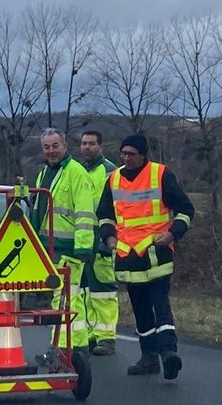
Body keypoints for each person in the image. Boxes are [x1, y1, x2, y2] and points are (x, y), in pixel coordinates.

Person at [95, 134, 195, 379]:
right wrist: (108, 239)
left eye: (131, 154)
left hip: (156, 253)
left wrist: (172, 234)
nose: (126, 158)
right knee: (140, 309)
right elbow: (105, 215)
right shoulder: (114, 179)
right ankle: (148, 357)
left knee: (160, 304)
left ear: (142, 155)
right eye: (123, 153)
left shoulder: (160, 174)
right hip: (128, 256)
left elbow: (185, 210)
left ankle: (169, 353)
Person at [28, 128, 97, 358]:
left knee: (66, 298)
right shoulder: (44, 173)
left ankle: (70, 349)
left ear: (65, 147)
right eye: (47, 147)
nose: (51, 151)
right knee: (62, 298)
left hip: (69, 248)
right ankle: (66, 347)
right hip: (48, 247)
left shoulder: (76, 172)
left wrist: (83, 248)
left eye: (55, 146)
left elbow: (85, 214)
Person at [78, 130, 120, 356]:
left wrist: (110, 236)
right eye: (84, 143)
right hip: (81, 237)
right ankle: (89, 336)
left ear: (100, 146)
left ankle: (107, 338)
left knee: (103, 289)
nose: (87, 147)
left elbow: (118, 207)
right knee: (83, 290)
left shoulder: (111, 171)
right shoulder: (78, 170)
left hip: (102, 236)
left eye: (91, 144)